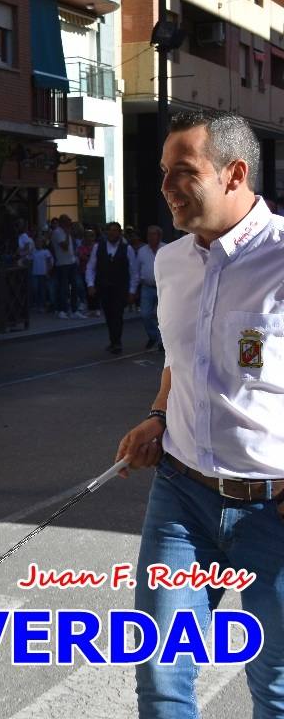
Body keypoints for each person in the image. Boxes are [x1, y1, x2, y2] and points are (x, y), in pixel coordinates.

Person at [116, 109, 284, 719]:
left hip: (273, 507)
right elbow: (180, 359)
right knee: (161, 675)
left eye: (183, 171)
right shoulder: (170, 263)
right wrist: (158, 416)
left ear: (234, 174)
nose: (165, 187)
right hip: (181, 498)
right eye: (164, 171)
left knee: (276, 688)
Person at [86, 221, 138, 354]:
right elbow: (91, 267)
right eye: (110, 230)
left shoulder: (127, 249)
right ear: (106, 233)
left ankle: (117, 343)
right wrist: (90, 284)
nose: (112, 233)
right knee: (109, 315)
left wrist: (132, 291)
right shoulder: (98, 247)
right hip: (104, 287)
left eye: (115, 230)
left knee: (117, 314)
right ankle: (113, 340)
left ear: (120, 233)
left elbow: (134, 271)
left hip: (120, 288)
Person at [137, 225, 164, 351]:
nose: (150, 237)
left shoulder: (166, 249)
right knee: (145, 314)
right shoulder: (142, 251)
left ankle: (163, 341)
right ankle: (153, 336)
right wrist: (134, 287)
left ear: (159, 236)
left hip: (163, 287)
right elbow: (136, 269)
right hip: (147, 287)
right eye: (149, 234)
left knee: (163, 316)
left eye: (153, 234)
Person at [51, 213, 82, 318]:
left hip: (71, 262)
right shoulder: (57, 232)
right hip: (62, 264)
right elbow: (64, 246)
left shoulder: (67, 232)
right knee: (63, 288)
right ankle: (62, 310)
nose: (70, 222)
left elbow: (71, 247)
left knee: (74, 287)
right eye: (68, 220)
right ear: (63, 222)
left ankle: (74, 310)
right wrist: (68, 234)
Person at [30, 236, 53, 312]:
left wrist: (48, 272)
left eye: (39, 242)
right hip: (35, 273)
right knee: (35, 289)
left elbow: (49, 262)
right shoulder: (33, 251)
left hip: (43, 273)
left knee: (42, 290)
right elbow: (30, 261)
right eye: (37, 242)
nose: (38, 243)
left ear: (42, 243)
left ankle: (41, 306)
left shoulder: (46, 251)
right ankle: (37, 304)